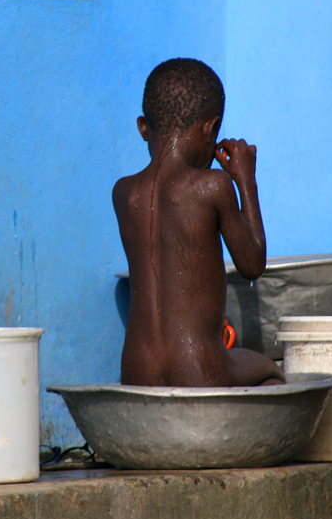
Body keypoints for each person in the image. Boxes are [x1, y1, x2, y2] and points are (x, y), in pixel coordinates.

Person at [113, 58, 286, 387]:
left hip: (137, 371)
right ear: (210, 129)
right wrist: (245, 180)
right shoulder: (212, 186)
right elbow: (252, 264)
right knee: (272, 373)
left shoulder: (124, 193)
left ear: (143, 127)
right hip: (200, 368)